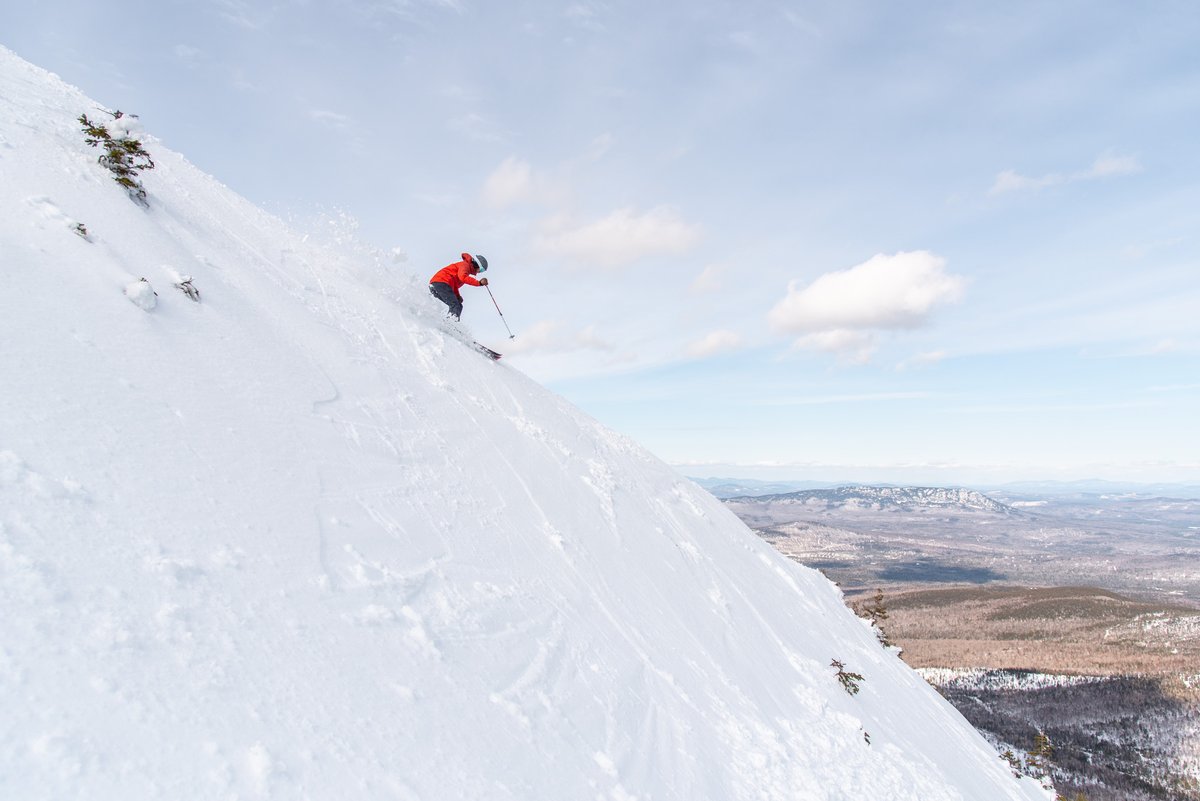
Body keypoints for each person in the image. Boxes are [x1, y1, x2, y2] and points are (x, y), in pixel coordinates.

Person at [429, 252, 488, 320]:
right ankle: (451, 322)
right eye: (481, 270)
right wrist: (479, 283)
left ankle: (432, 318)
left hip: (437, 285)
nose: (479, 272)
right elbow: (463, 277)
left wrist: (457, 296)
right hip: (441, 283)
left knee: (457, 305)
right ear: (476, 264)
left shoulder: (465, 270)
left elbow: (454, 285)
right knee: (456, 305)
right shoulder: (465, 265)